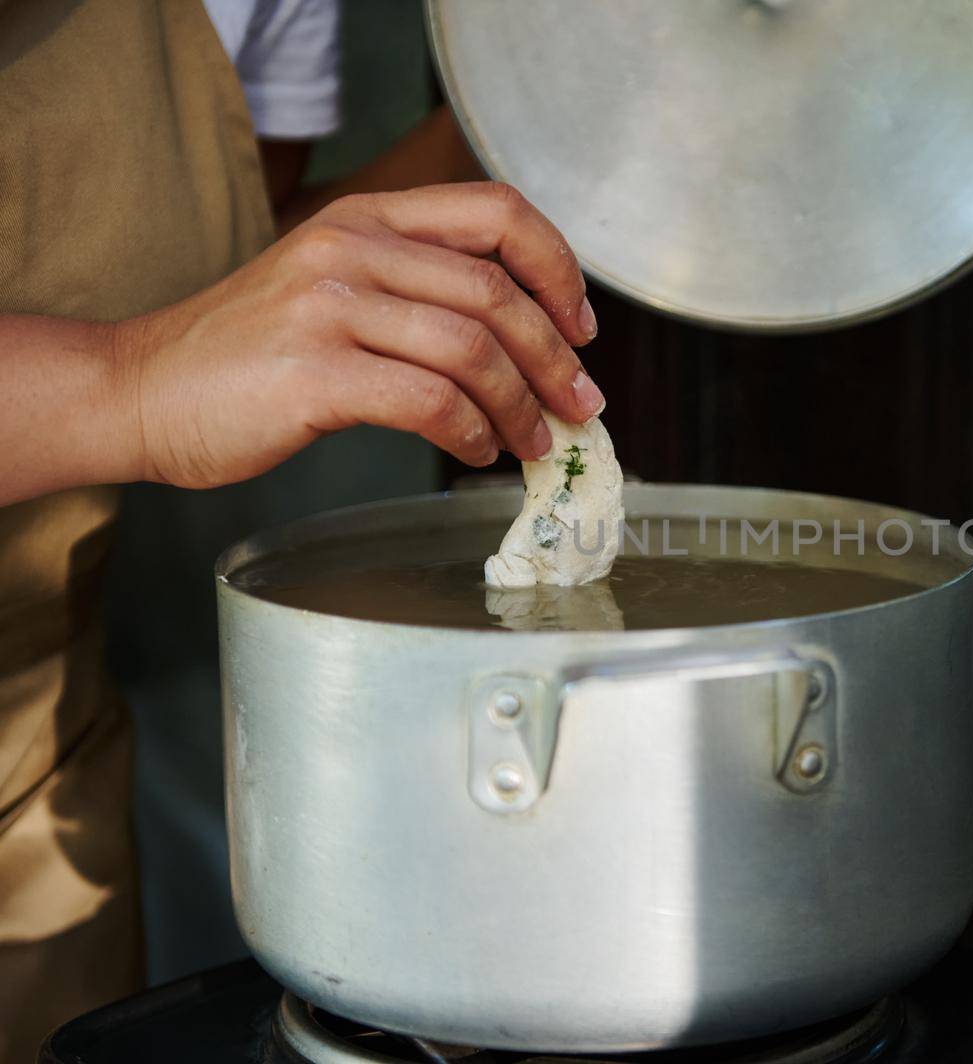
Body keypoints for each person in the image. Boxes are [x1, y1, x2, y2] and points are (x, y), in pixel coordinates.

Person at [0, 0, 604, 1057]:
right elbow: (157, 353)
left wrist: (534, 103)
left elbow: (215, 282)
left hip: (38, 782)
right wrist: (132, 386)